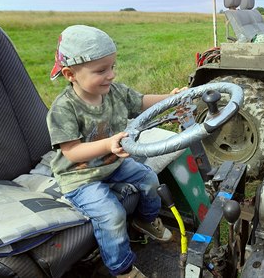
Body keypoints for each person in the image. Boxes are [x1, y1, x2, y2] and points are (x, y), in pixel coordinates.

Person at [47, 25, 184, 278]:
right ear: (70, 74)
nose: (111, 75)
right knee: (112, 214)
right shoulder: (63, 109)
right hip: (80, 177)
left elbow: (142, 101)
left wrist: (171, 99)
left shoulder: (114, 92)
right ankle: (121, 268)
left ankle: (145, 219)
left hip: (112, 164)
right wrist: (109, 143)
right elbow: (72, 152)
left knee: (149, 179)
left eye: (112, 66)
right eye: (101, 70)